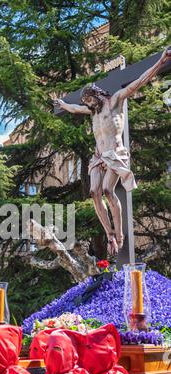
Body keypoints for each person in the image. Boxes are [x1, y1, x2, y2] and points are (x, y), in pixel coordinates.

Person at [54, 48, 171, 255]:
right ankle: (109, 234)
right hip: (99, 156)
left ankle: (120, 234)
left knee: (108, 190)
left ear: (97, 95)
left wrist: (161, 61)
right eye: (87, 104)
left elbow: (139, 82)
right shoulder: (94, 111)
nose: (89, 106)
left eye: (90, 101)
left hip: (115, 154)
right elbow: (73, 109)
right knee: (94, 192)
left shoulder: (116, 100)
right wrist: (62, 103)